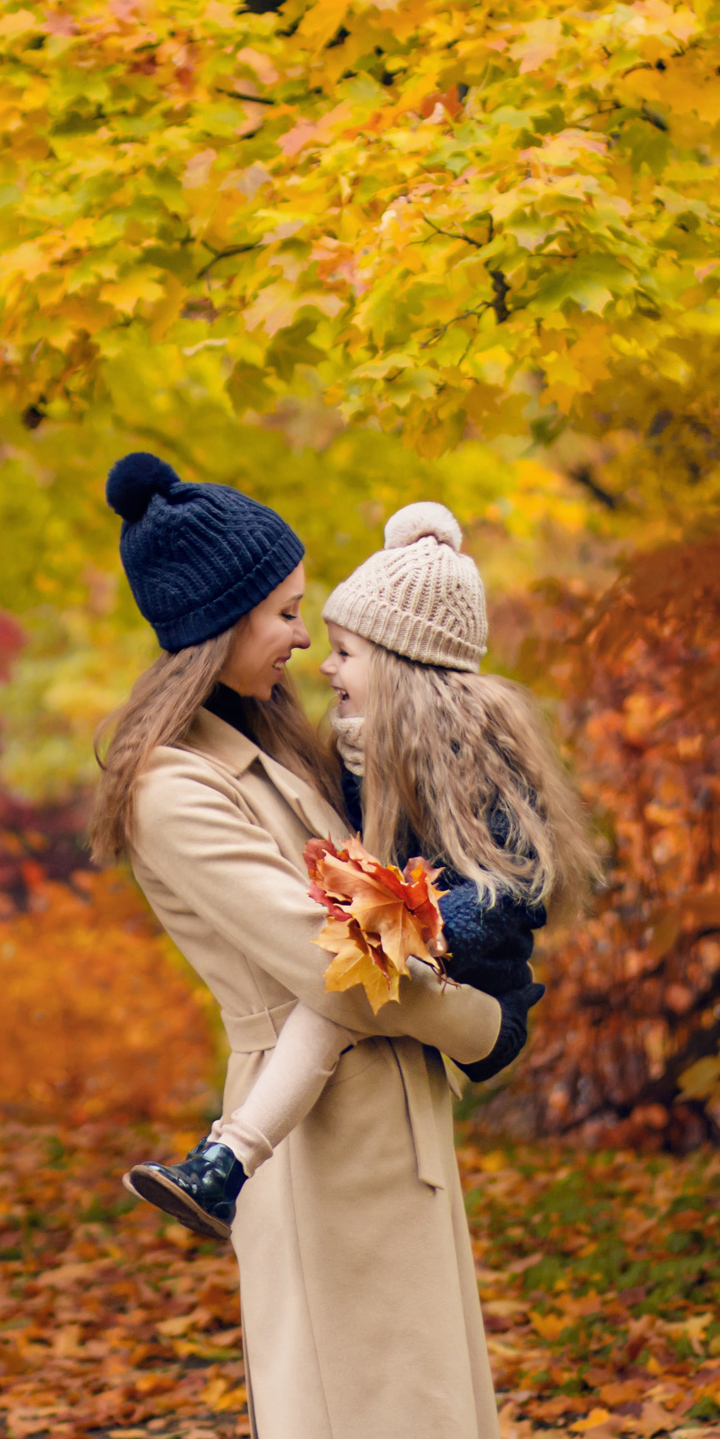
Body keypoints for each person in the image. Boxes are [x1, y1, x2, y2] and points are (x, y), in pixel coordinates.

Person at [91, 453, 526, 1439]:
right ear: (221, 622)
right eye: (286, 614)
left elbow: (410, 879)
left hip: (388, 1126)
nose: (302, 637)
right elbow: (332, 978)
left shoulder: (284, 745)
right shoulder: (172, 787)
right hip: (319, 1146)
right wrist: (481, 1026)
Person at [127, 500, 598, 1236]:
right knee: (344, 975)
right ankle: (228, 1161)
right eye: (289, 613)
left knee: (351, 968)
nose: (318, 654)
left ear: (402, 664)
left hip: (472, 973)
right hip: (369, 1062)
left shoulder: (469, 748)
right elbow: (339, 920)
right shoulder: (335, 751)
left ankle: (228, 1157)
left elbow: (513, 881)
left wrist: (436, 928)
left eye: (346, 651)